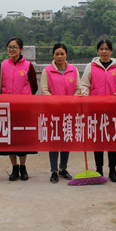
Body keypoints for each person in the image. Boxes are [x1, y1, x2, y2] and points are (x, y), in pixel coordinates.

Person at [80, 39, 116, 182]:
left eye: (107, 49)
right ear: (98, 51)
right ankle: (99, 169)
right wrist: (85, 93)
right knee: (98, 140)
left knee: (113, 140)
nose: (104, 51)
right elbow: (84, 84)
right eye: (101, 49)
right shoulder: (91, 67)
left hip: (113, 110)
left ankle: (112, 170)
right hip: (96, 110)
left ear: (111, 51)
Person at [0, 37, 38, 181]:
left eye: (14, 47)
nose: (12, 49)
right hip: (7, 108)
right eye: (9, 47)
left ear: (21, 49)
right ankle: (14, 167)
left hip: (23, 108)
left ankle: (23, 166)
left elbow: (34, 87)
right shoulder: (3, 65)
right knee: (10, 139)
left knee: (22, 138)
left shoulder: (28, 66)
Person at [41, 43, 80, 183]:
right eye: (57, 54)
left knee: (66, 140)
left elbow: (78, 89)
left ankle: (63, 168)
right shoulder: (47, 71)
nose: (59, 56)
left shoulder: (73, 70)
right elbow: (44, 90)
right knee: (54, 141)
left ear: (66, 55)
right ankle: (54, 170)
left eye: (62, 54)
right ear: (53, 55)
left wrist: (71, 101)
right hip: (53, 112)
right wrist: (56, 102)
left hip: (69, 112)